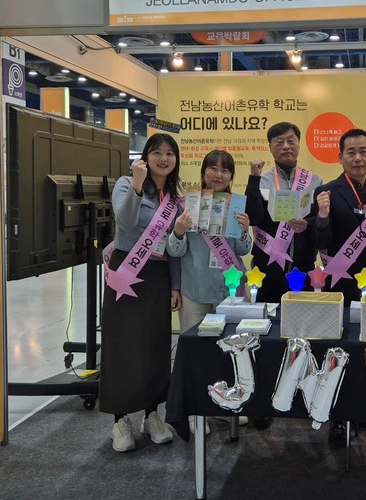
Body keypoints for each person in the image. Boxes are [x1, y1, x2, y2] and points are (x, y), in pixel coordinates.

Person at [312, 128, 366, 446]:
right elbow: (319, 240)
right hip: (342, 282)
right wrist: (322, 215)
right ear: (340, 157)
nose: (358, 157)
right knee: (340, 349)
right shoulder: (326, 191)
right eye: (351, 152)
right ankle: (338, 416)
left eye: (363, 151)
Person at [99, 133, 183, 453]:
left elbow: (174, 248)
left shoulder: (175, 198)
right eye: (157, 152)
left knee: (156, 345)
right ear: (146, 157)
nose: (163, 158)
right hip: (126, 271)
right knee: (123, 345)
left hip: (158, 275)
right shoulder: (125, 183)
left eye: (170, 153)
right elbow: (125, 221)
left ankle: (152, 415)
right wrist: (137, 184)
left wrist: (175, 286)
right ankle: (121, 420)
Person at [167, 149, 252, 435]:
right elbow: (174, 251)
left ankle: (223, 406)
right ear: (203, 172)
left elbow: (243, 250)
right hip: (194, 290)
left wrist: (244, 230)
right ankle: (194, 411)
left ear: (231, 176)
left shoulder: (236, 206)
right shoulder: (187, 205)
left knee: (229, 353)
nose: (218, 175)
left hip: (230, 293)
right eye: (213, 169)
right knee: (194, 354)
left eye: (225, 170)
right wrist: (179, 231)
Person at [245, 122, 323, 430]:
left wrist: (310, 223)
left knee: (303, 336)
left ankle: (302, 397)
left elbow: (321, 220)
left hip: (301, 268)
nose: (286, 146)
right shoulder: (262, 180)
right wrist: (252, 180)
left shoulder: (314, 181)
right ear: (271, 147)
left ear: (299, 144)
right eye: (279, 142)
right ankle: (262, 402)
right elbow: (254, 216)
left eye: (291, 140)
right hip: (267, 270)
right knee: (265, 337)